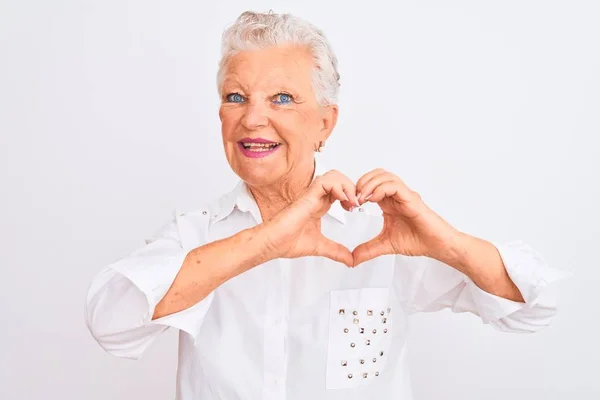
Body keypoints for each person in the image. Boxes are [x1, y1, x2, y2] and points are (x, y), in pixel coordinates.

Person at [85, 10, 568, 400]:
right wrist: (266, 242)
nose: (253, 118)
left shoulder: (379, 232)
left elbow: (535, 307)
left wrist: (447, 242)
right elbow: (111, 325)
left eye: (282, 98)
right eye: (236, 97)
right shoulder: (196, 234)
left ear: (325, 124)